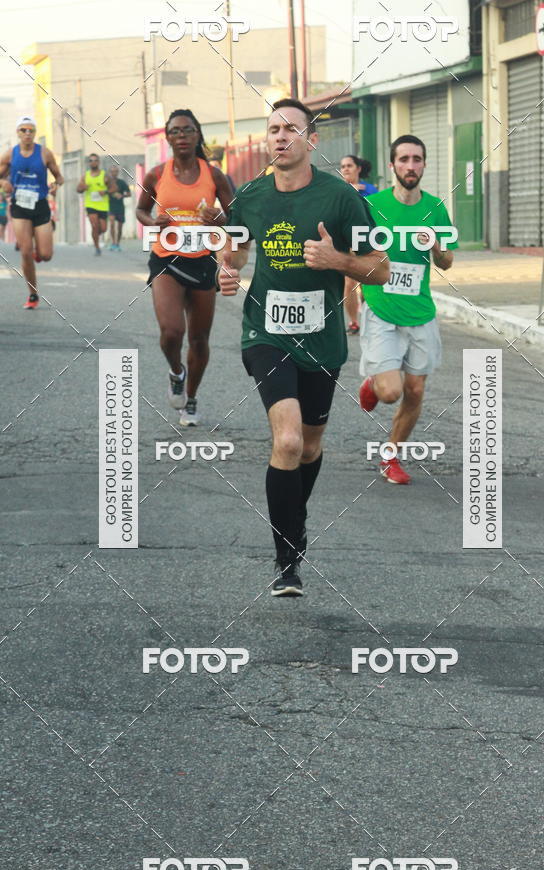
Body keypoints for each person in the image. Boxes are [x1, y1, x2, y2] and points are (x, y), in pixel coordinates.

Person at [219, 98, 389, 596]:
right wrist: (227, 271)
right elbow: (235, 252)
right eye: (273, 128)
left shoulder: (341, 199)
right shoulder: (249, 196)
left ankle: (295, 517)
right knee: (289, 440)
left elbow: (380, 269)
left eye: (290, 128)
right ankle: (286, 559)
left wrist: (339, 260)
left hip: (322, 339)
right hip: (266, 334)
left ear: (311, 141)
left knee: (310, 446)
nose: (280, 136)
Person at [358, 134, 458, 485]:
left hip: (420, 312)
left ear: (424, 165)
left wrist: (436, 246)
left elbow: (447, 262)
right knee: (391, 392)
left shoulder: (436, 208)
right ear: (392, 165)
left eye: (417, 159)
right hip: (381, 308)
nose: (410, 166)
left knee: (414, 391)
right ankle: (374, 382)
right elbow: (355, 255)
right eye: (404, 159)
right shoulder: (372, 206)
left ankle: (391, 456)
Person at [136, 108, 233, 426]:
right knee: (171, 331)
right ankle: (176, 372)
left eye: (187, 130)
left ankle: (190, 400)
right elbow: (141, 210)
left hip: (202, 260)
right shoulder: (156, 174)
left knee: (199, 339)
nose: (181, 136)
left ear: (197, 134)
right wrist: (153, 222)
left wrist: (220, 218)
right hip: (166, 258)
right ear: (167, 137)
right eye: (175, 131)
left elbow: (234, 213)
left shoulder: (214, 175)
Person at [0, 116, 64, 309]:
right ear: (18, 132)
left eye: (31, 130)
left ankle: (39, 246)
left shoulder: (44, 153)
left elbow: (59, 177)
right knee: (25, 252)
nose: (27, 133)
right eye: (23, 130)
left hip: (40, 205)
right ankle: (33, 294)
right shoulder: (10, 154)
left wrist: (55, 185)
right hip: (20, 206)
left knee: (46, 255)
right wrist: (3, 183)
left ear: (35, 133)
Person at [339, 155, 378, 336]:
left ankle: (369, 318)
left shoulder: (370, 190)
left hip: (367, 240)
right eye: (343, 166)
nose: (346, 169)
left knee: (366, 282)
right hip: (346, 241)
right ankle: (354, 322)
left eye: (349, 165)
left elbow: (377, 214)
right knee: (349, 283)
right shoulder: (337, 189)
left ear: (358, 169)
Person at [76, 154, 115, 255]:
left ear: (98, 162)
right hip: (90, 205)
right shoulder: (85, 176)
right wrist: (83, 188)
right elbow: (78, 189)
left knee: (103, 229)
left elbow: (114, 188)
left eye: (95, 160)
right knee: (94, 226)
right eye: (91, 160)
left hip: (103, 206)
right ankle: (97, 247)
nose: (93, 162)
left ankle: (95, 236)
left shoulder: (104, 175)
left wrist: (105, 192)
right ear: (88, 163)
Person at [108, 165, 131, 250]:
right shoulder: (107, 183)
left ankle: (118, 243)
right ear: (110, 173)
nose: (114, 173)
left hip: (120, 207)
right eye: (112, 171)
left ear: (117, 173)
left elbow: (129, 194)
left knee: (120, 227)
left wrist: (122, 195)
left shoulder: (122, 182)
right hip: (110, 206)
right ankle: (113, 243)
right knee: (112, 224)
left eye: (115, 171)